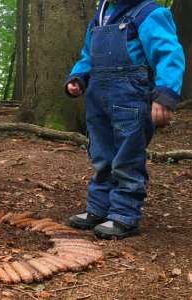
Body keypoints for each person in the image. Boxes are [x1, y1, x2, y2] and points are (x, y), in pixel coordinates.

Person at [65, 0, 184, 239]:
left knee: (128, 156)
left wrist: (165, 94)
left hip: (130, 98)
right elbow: (88, 55)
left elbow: (168, 52)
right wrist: (78, 77)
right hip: (97, 98)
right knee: (101, 155)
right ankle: (98, 207)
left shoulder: (149, 13)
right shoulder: (100, 15)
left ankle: (124, 213)